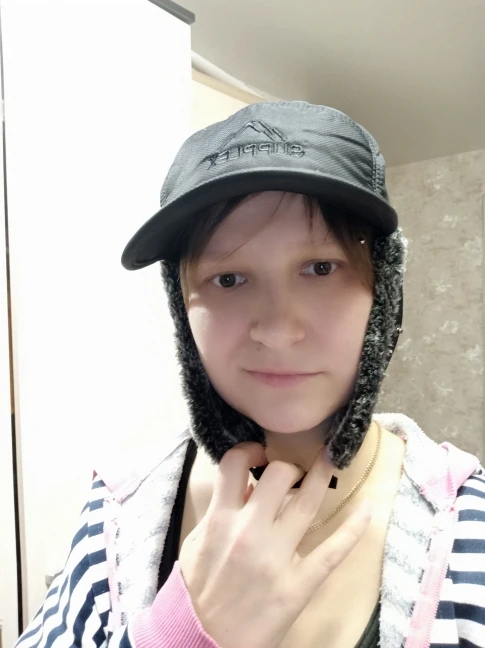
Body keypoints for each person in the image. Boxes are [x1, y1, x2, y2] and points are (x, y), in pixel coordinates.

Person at [15, 101, 485, 648]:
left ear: (383, 292)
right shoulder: (117, 513)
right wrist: (178, 635)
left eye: (320, 268)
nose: (278, 330)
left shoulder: (466, 525)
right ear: (182, 308)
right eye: (229, 279)